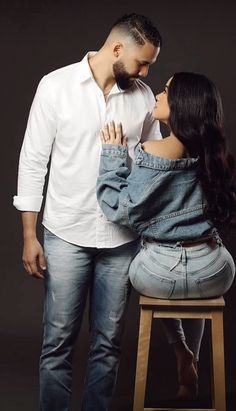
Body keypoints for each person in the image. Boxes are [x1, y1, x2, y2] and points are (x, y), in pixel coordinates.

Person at [13, 13, 162, 411]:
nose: (146, 71)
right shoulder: (55, 87)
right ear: (117, 50)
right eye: (142, 62)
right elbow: (33, 162)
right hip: (65, 233)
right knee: (57, 341)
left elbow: (155, 165)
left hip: (122, 240)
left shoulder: (144, 97)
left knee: (109, 342)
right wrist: (30, 236)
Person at [97, 72, 236, 401]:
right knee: (194, 289)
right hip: (215, 274)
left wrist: (113, 156)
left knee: (151, 260)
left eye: (166, 91)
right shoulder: (215, 154)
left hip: (158, 275)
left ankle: (180, 349)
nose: (158, 95)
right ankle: (193, 362)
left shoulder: (153, 150)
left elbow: (118, 210)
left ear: (181, 105)